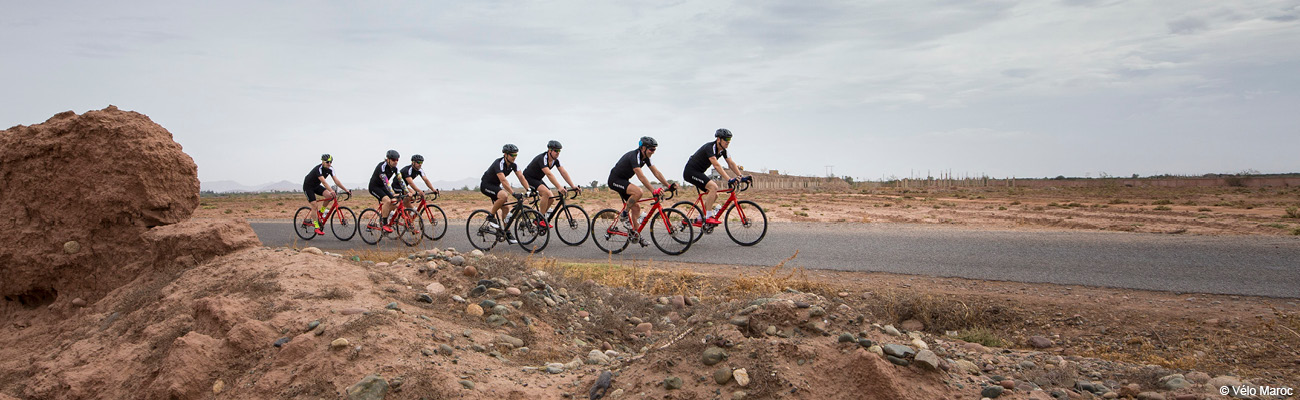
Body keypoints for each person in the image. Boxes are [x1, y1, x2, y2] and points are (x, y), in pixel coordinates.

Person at [607, 136, 675, 243]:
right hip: (615, 180)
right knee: (638, 192)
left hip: (623, 180)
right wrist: (653, 190)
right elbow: (641, 177)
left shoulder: (646, 158)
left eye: (654, 149)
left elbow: (656, 172)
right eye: (651, 149)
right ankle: (624, 215)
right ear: (643, 148)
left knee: (637, 208)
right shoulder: (634, 156)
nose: (653, 152)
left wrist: (668, 185)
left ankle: (635, 234)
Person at [683, 128, 748, 225]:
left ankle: (700, 218)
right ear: (718, 139)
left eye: (729, 140)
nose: (728, 142)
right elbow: (716, 165)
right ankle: (709, 216)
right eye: (725, 139)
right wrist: (729, 179)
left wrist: (741, 176)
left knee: (715, 194)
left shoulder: (724, 151)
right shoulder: (709, 147)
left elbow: (731, 163)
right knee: (713, 187)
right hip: (690, 172)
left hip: (699, 172)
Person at [522, 140, 579, 228]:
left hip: (537, 179)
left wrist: (573, 186)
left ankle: (540, 217)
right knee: (546, 193)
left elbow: (563, 172)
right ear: (549, 150)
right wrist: (559, 187)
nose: (558, 153)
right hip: (528, 178)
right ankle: (540, 219)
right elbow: (549, 174)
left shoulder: (555, 161)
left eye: (559, 151)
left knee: (551, 198)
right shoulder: (542, 159)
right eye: (556, 151)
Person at [480, 144, 530, 243]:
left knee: (506, 208)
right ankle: (490, 216)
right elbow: (503, 180)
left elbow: (521, 177)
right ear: (505, 155)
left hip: (495, 186)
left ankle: (506, 233)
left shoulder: (514, 165)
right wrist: (513, 193)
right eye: (512, 155)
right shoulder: (498, 163)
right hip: (486, 185)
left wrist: (528, 189)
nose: (514, 157)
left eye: (516, 155)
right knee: (504, 195)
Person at [303, 154, 350, 235]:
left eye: (331, 162)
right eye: (327, 162)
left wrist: (346, 190)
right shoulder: (318, 169)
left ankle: (321, 212)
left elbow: (336, 181)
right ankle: (316, 226)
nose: (329, 163)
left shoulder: (331, 169)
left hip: (316, 186)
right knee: (314, 205)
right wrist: (331, 190)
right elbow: (324, 182)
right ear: (322, 162)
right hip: (308, 186)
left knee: (329, 196)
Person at [368, 149, 403, 233]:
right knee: (387, 200)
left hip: (382, 187)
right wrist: (393, 193)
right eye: (393, 160)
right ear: (388, 159)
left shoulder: (395, 169)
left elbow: (401, 181)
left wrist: (406, 192)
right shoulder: (382, 166)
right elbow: (386, 182)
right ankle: (384, 224)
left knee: (396, 202)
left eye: (397, 160)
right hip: (374, 187)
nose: (395, 162)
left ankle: (386, 215)